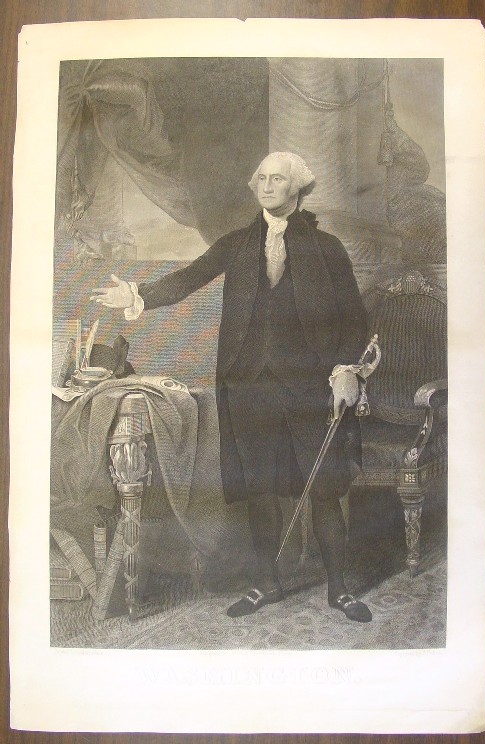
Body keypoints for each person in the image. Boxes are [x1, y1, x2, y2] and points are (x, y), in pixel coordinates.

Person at [92, 152, 372, 623]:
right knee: (260, 489)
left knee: (323, 487)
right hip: (247, 386)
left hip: (310, 387)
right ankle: (266, 583)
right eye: (261, 177)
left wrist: (347, 370)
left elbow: (353, 316)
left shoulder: (327, 248)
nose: (266, 185)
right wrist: (137, 296)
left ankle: (339, 590)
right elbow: (189, 278)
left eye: (277, 178)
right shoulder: (238, 243)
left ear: (297, 189)